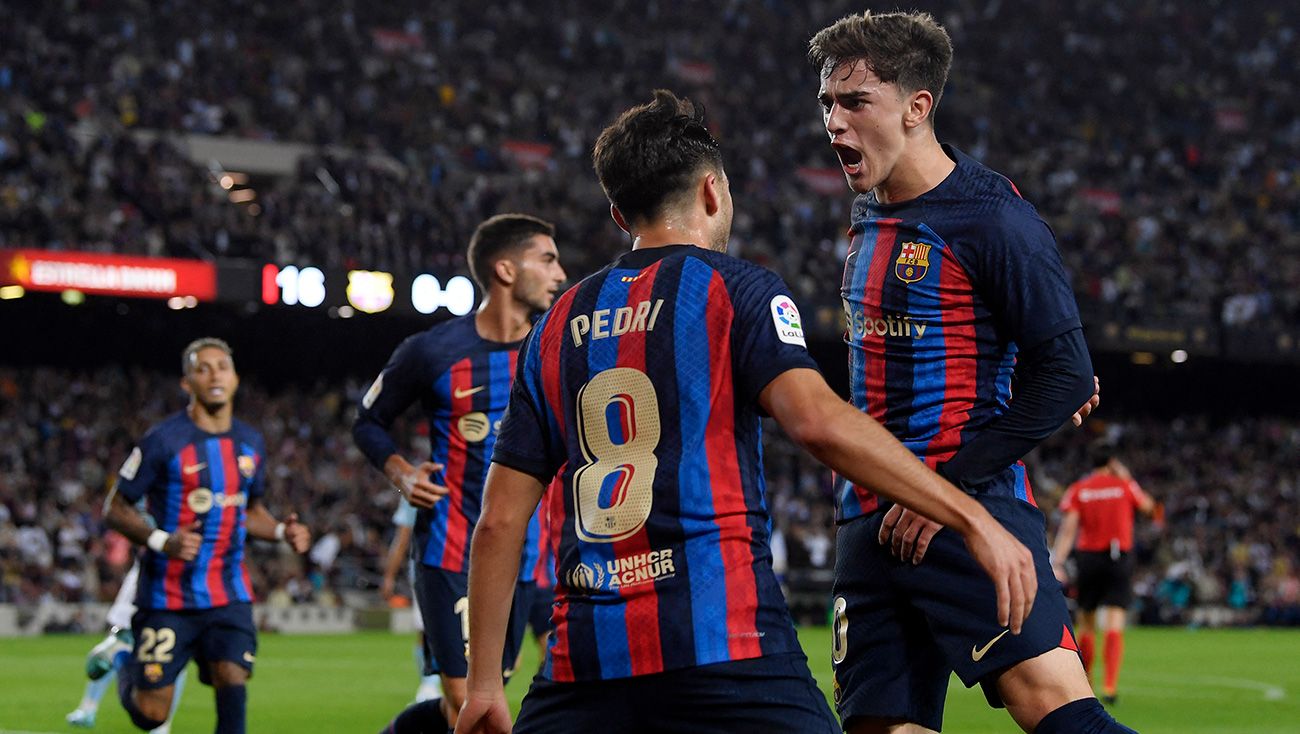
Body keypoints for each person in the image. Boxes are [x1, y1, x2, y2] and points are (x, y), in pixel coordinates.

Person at [454, 89, 1039, 734]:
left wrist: (484, 681)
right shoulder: (737, 291)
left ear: (620, 214)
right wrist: (970, 515)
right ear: (712, 192)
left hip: (582, 668)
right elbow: (817, 422)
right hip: (727, 649)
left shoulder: (553, 326)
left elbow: (499, 521)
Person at [808, 11, 1124, 734]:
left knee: (1052, 707)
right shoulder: (867, 213)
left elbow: (1067, 376)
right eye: (828, 102)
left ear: (918, 107)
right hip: (866, 523)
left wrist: (943, 494)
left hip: (962, 512)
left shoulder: (995, 220)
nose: (834, 121)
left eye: (856, 102)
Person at [353, 213, 567, 733]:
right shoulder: (432, 351)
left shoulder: (555, 349)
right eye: (547, 259)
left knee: (476, 699)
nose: (561, 273)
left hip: (530, 556)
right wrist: (401, 472)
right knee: (471, 698)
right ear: (506, 270)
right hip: (450, 548)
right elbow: (369, 421)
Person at [104, 338, 311, 734]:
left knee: (232, 676)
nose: (215, 374)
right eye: (204, 368)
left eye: (223, 367)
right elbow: (114, 507)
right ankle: (121, 662)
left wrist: (284, 530)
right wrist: (163, 541)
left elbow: (250, 511)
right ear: (188, 383)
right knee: (152, 714)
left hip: (228, 593)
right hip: (167, 597)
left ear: (234, 379)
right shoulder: (163, 441)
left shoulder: (250, 443)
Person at [1051, 448, 1159, 705]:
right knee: (1114, 622)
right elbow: (1151, 510)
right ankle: (1110, 688)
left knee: (1087, 623)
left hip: (1088, 559)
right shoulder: (1124, 486)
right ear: (1112, 462)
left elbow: (1069, 528)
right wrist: (1128, 478)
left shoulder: (1080, 489)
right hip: (1118, 558)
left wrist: (1057, 561)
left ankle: (1087, 685)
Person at [66, 561, 186, 732]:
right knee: (167, 660)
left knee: (169, 662)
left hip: (172, 598)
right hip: (155, 595)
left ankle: (89, 708)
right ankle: (88, 708)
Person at [380, 496, 443, 704]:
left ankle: (429, 685)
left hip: (428, 568)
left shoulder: (416, 484)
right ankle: (432, 685)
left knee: (425, 631)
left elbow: (402, 538)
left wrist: (389, 577)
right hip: (459, 567)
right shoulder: (473, 476)